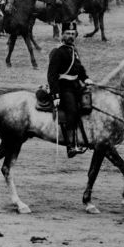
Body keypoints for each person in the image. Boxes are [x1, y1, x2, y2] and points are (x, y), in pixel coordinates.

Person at [47, 20, 90, 158]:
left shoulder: (73, 49)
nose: (71, 36)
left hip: (76, 85)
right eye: (68, 33)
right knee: (72, 111)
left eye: (73, 33)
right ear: (62, 34)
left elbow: (79, 68)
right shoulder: (58, 52)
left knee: (88, 105)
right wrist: (56, 95)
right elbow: (52, 75)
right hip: (64, 87)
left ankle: (84, 138)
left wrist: (86, 78)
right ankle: (71, 146)